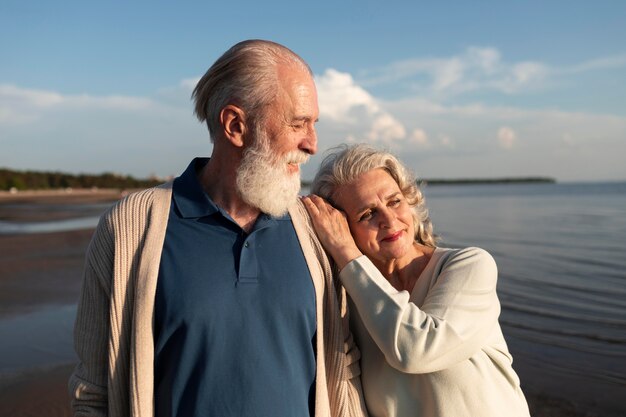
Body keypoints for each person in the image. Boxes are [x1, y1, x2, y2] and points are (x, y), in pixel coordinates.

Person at [69, 40, 368, 417]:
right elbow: (94, 392)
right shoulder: (130, 228)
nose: (312, 143)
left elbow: (344, 374)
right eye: (297, 123)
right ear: (235, 125)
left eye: (314, 124)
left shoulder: (318, 230)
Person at [302, 144, 530, 417]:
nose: (389, 220)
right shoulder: (348, 304)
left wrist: (346, 253)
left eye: (394, 201)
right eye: (367, 214)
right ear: (341, 227)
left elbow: (416, 349)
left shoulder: (468, 266)